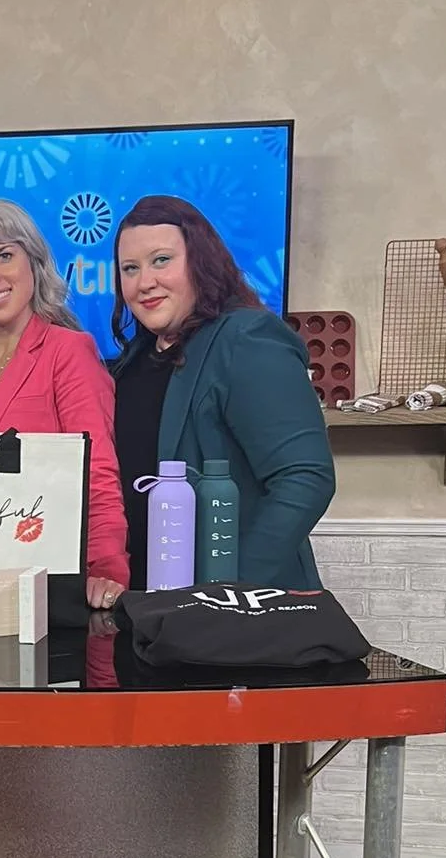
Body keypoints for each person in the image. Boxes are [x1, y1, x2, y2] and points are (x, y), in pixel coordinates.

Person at [110, 194, 335, 592]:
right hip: (151, 605)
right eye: (130, 268)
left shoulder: (247, 339)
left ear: (200, 261)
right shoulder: (134, 359)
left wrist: (228, 592)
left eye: (161, 260)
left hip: (234, 615)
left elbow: (305, 477)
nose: (145, 282)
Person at [0, 199, 129, 610]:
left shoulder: (69, 352)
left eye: (4, 255)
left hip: (40, 582)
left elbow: (98, 472)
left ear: (33, 261)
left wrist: (106, 567)